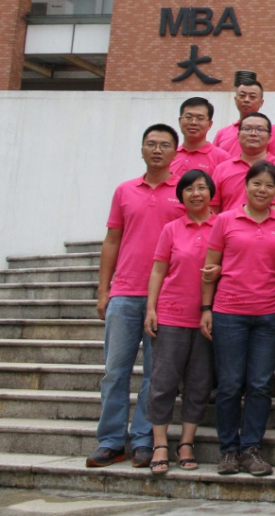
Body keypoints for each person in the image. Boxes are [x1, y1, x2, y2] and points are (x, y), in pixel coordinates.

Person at [88, 124, 184, 469]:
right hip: (126, 293)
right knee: (115, 371)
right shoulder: (125, 191)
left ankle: (144, 439)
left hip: (166, 297)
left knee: (156, 375)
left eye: (164, 145)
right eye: (151, 144)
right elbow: (111, 240)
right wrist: (104, 290)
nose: (157, 150)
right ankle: (111, 440)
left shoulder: (184, 193)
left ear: (176, 151)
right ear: (142, 149)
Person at [202, 161, 275, 477]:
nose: (262, 190)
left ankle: (251, 447)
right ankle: (228, 449)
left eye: (269, 185)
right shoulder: (225, 221)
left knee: (258, 384)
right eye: (257, 184)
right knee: (228, 384)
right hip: (229, 313)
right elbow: (210, 268)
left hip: (269, 313)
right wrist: (206, 309)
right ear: (246, 185)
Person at [142, 168, 215, 475]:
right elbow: (158, 270)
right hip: (171, 315)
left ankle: (186, 442)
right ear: (181, 196)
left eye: (201, 188)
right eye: (189, 189)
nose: (196, 194)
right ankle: (160, 443)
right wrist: (151, 309)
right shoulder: (171, 229)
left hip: (206, 317)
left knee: (199, 383)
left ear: (211, 192)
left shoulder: (221, 225)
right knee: (162, 383)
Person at [211, 113, 275, 213]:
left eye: (260, 129)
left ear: (270, 137)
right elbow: (213, 211)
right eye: (247, 129)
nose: (253, 133)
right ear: (238, 135)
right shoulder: (222, 169)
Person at [172, 96, 230, 176]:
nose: (193, 122)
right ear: (180, 121)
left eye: (200, 118)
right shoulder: (170, 155)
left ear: (209, 124)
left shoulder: (222, 158)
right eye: (188, 117)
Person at [214, 79, 265, 154]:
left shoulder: (267, 133)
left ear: (261, 102)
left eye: (252, 97)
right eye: (242, 96)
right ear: (235, 99)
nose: (246, 100)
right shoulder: (222, 133)